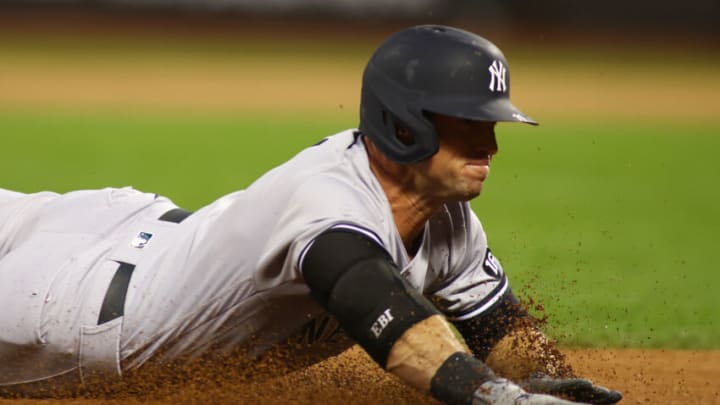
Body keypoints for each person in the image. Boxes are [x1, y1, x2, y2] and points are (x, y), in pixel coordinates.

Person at [0, 25, 621, 404]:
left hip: (129, 227)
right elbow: (395, 326)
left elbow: (499, 329)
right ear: (404, 125)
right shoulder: (327, 203)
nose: (489, 147)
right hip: (62, 306)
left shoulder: (447, 219)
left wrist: (539, 378)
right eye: (468, 126)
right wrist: (496, 400)